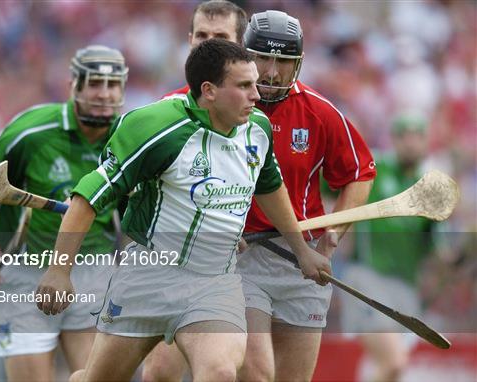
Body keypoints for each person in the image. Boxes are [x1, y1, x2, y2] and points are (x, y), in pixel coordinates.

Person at [35, 39, 331, 382]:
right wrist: (59, 270)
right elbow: (87, 198)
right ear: (209, 91)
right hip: (149, 277)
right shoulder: (156, 127)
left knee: (220, 371)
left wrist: (302, 252)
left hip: (215, 281)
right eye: (244, 86)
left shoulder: (258, 130)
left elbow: (270, 188)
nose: (256, 95)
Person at [0, 44, 128, 381]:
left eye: (113, 86)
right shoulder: (31, 130)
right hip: (25, 274)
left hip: (93, 270)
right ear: (74, 86)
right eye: (95, 83)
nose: (104, 94)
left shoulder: (127, 136)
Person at [236, 11, 376, 382]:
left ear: (298, 64)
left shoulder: (320, 112)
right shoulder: (223, 108)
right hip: (242, 256)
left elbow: (360, 173)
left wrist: (332, 238)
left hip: (304, 260)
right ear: (245, 56)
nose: (271, 72)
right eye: (263, 57)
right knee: (256, 372)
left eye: (283, 61)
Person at [146, 1, 248, 380]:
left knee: (243, 371)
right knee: (159, 372)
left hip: (247, 270)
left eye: (220, 37)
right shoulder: (165, 111)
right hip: (172, 268)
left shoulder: (253, 118)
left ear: (242, 45)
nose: (208, 44)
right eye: (201, 36)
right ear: (188, 40)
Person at [340, 112, 433, 382]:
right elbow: (331, 184)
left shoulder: (428, 188)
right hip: (368, 281)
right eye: (405, 136)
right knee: (393, 362)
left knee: (391, 371)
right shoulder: (376, 168)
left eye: (418, 136)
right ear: (394, 139)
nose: (411, 143)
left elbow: (432, 248)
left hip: (406, 291)